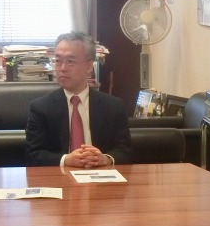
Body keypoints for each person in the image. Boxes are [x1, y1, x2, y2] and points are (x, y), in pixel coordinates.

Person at [26, 31, 132, 167]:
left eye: (70, 61)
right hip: (59, 176)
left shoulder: (113, 106)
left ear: (89, 67)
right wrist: (66, 160)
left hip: (100, 175)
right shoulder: (41, 108)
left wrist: (105, 159)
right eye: (58, 61)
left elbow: (125, 151)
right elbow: (33, 155)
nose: (62, 68)